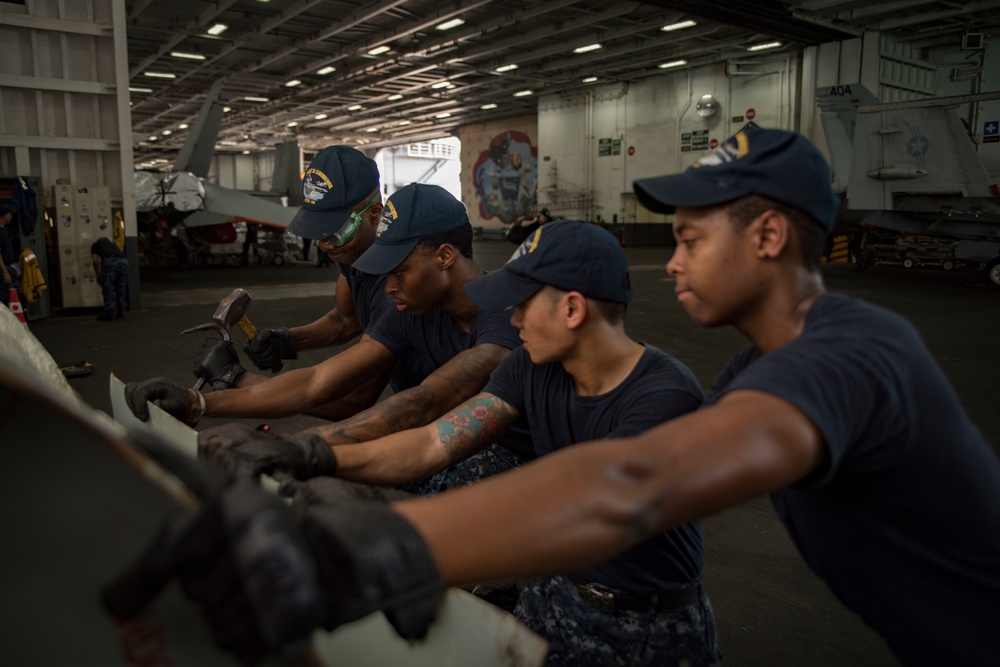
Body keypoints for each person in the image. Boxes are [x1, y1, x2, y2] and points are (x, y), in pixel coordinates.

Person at [119, 128, 1000, 666]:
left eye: (691, 237)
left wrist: (381, 550)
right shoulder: (750, 379)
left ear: (769, 234)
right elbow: (434, 440)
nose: (677, 259)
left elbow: (633, 485)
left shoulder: (848, 352)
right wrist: (311, 457)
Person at [210, 220, 719, 665]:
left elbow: (581, 502)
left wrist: (399, 538)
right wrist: (312, 454)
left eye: (522, 306)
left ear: (571, 308)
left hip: (646, 627)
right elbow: (435, 442)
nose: (512, 320)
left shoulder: (663, 393)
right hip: (551, 596)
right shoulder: (529, 366)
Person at [127, 182, 534, 491]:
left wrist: (301, 446)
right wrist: (199, 402)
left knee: (417, 480)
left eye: (398, 271)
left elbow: (428, 400)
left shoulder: (506, 314)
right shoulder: (411, 310)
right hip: (454, 439)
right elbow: (318, 381)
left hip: (530, 461)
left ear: (445, 257)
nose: (388, 286)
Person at [195, 146, 424, 420]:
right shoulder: (354, 252)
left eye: (337, 231)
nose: (326, 244)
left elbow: (353, 399)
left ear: (375, 213)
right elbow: (344, 319)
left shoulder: (397, 290)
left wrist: (237, 380)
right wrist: (288, 339)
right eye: (319, 231)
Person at [90, 236, 128, 321]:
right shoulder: (113, 245)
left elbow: (95, 261)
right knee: (121, 286)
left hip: (109, 262)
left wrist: (97, 274)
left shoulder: (95, 245)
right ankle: (121, 311)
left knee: (108, 286)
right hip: (123, 262)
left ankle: (109, 311)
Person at [0, 203, 24, 312]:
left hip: (9, 267)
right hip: (3, 270)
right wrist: (5, 272)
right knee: (7, 299)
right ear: (4, 216)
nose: (11, 216)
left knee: (15, 296)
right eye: (9, 214)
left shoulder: (4, 230)